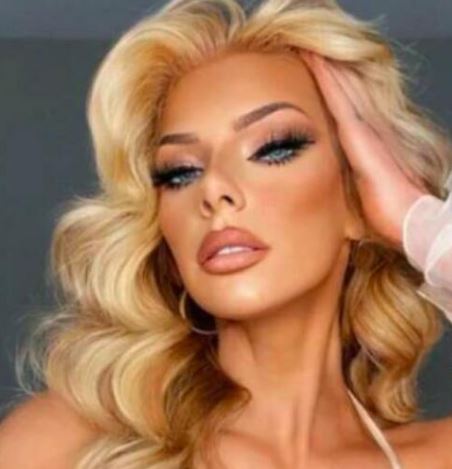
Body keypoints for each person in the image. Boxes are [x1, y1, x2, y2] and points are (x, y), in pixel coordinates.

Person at [1, 0, 452, 467]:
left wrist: (416, 219)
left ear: (357, 194)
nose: (214, 187)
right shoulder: (59, 443)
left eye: (274, 148)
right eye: (179, 172)